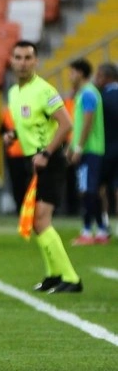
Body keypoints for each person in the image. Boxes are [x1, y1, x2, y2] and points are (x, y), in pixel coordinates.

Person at [3, 40, 82, 293]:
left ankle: (71, 278)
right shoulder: (14, 93)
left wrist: (46, 153)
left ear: (36, 61)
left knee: (41, 219)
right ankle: (53, 275)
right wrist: (13, 135)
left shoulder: (44, 90)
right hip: (32, 161)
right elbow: (31, 123)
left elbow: (66, 124)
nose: (23, 63)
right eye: (18, 57)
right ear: (11, 61)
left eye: (28, 58)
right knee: (36, 221)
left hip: (50, 160)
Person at [65, 59, 109, 245]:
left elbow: (88, 122)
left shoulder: (88, 94)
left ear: (80, 73)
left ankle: (87, 231)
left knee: (87, 190)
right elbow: (79, 124)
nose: (69, 76)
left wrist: (79, 148)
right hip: (90, 149)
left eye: (72, 72)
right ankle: (101, 230)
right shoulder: (85, 93)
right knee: (91, 190)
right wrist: (71, 146)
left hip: (90, 150)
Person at [94, 62, 118, 236]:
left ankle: (103, 223)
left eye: (99, 76)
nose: (97, 79)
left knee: (98, 187)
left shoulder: (100, 98)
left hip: (104, 149)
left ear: (107, 77)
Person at [0, 105, 28, 214]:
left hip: (16, 153)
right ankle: (25, 207)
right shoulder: (26, 108)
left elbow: (1, 132)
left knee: (17, 183)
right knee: (25, 182)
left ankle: (20, 207)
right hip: (25, 151)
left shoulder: (7, 112)